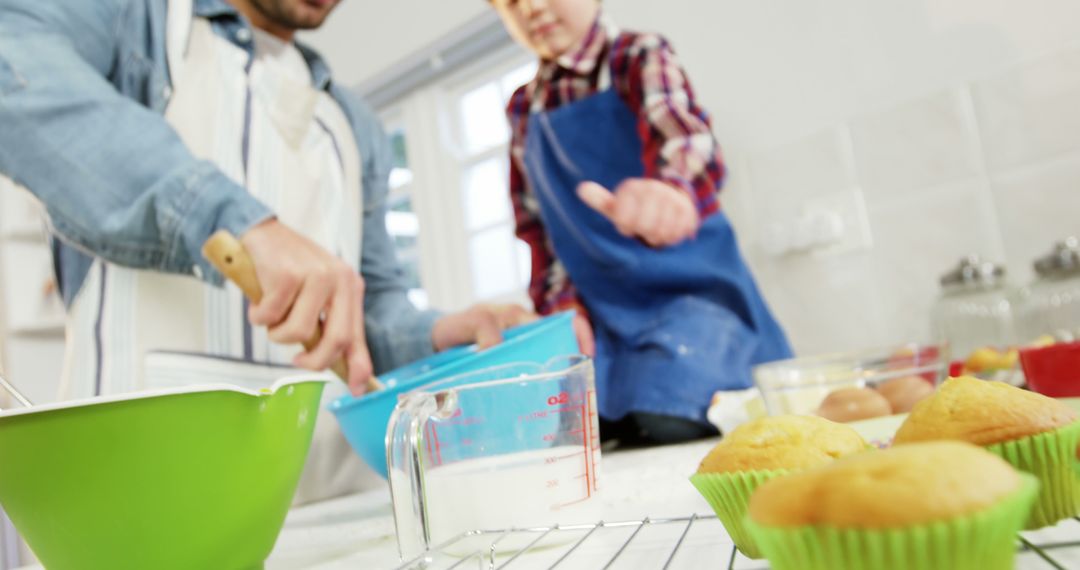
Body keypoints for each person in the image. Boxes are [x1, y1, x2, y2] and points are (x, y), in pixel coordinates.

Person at [0, 0, 531, 502]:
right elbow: (13, 65)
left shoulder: (354, 125)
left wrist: (437, 334)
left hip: (332, 503)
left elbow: (372, 312)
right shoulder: (139, 23)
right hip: (147, 496)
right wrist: (229, 221)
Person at [489, 0, 793, 445]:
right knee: (577, 430)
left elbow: (683, 137)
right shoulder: (522, 110)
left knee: (668, 416)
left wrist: (674, 190)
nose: (532, 7)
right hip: (605, 323)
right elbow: (537, 231)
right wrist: (563, 309)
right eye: (510, 2)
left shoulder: (637, 57)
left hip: (694, 303)